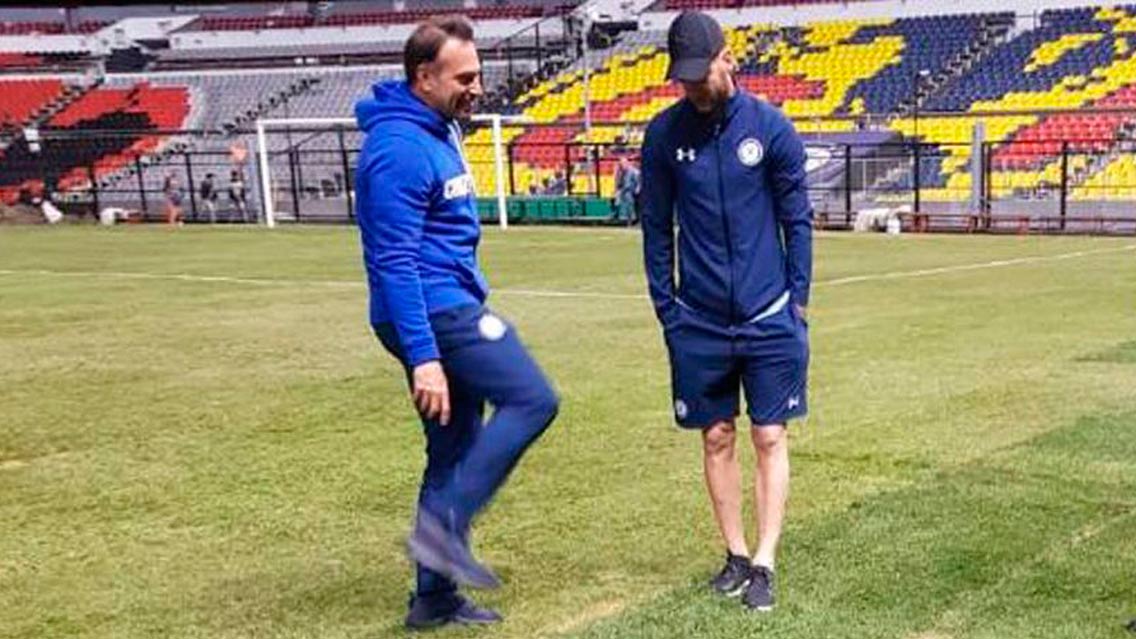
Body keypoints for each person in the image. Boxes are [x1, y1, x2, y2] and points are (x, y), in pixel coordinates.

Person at [353, 15, 559, 630]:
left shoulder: (438, 128)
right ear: (424, 77)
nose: (477, 87)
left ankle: (434, 599)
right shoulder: (396, 150)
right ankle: (443, 532)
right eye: (463, 77)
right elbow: (394, 263)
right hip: (431, 310)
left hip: (443, 302)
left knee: (452, 448)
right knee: (533, 398)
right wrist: (424, 357)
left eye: (478, 74)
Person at [639, 11, 813, 613]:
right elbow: (655, 227)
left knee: (769, 433)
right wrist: (667, 308)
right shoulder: (663, 135)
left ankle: (765, 559)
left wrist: (799, 298)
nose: (692, 88)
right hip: (700, 319)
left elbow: (798, 220)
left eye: (700, 74)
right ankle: (735, 553)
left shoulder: (770, 129)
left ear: (726, 58)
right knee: (715, 436)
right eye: (682, 79)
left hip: (768, 314)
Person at [613, 155, 641, 225]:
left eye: (623, 164)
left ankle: (631, 220)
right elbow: (618, 183)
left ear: (627, 163)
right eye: (621, 164)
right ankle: (615, 215)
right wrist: (616, 190)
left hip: (631, 190)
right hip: (623, 190)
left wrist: (637, 190)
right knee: (616, 199)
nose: (622, 166)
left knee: (630, 203)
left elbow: (638, 182)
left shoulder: (634, 171)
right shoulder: (620, 172)